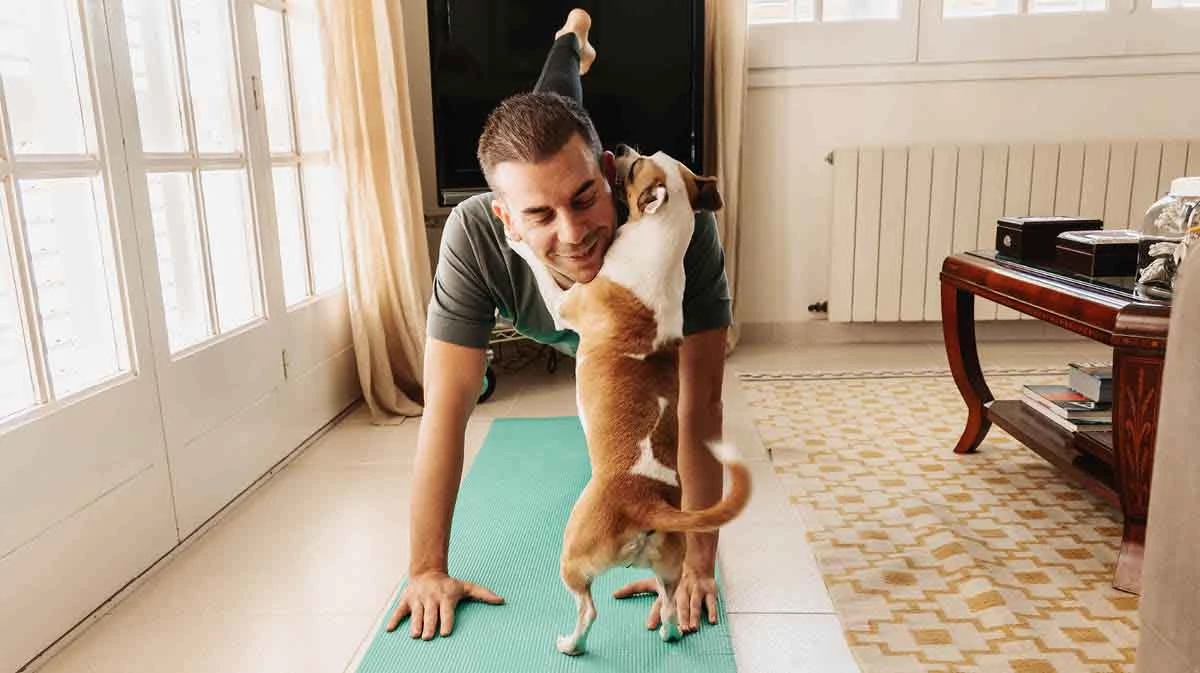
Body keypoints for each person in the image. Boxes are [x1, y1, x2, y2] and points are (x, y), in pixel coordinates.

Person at [387, 8, 733, 641]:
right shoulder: (474, 235)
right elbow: (446, 406)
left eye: (583, 198)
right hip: (581, 324)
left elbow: (700, 402)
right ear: (507, 220)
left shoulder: (675, 226)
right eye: (540, 215)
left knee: (558, 101)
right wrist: (426, 569)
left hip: (623, 328)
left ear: (608, 172)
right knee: (557, 81)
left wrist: (695, 560)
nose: (574, 236)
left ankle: (571, 49)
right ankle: (571, 40)